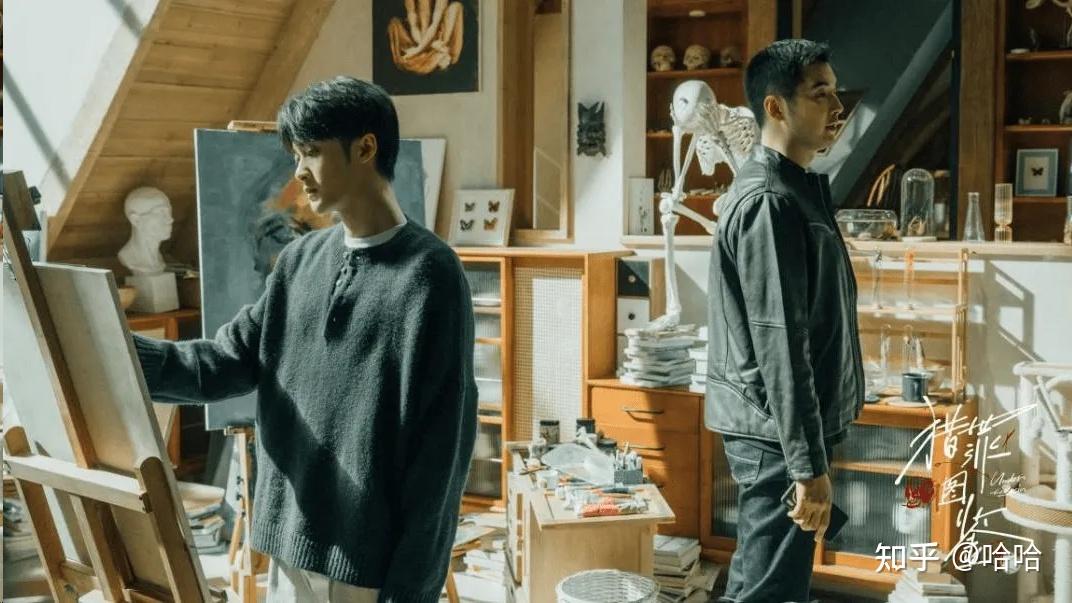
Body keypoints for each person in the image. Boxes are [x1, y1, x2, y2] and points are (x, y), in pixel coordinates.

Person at [132, 76, 477, 602]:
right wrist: (108, 349)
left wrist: (411, 590)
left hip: (364, 570)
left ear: (365, 148)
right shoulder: (298, 261)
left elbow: (440, 458)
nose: (298, 171)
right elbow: (221, 364)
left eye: (312, 151)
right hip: (287, 553)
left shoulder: (429, 275)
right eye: (296, 154)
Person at [705, 39, 864, 603]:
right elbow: (780, 343)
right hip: (776, 434)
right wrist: (806, 465)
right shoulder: (770, 201)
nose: (838, 107)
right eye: (821, 94)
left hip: (785, 430)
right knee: (768, 591)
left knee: (770, 584)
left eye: (835, 92)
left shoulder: (795, 189)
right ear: (775, 107)